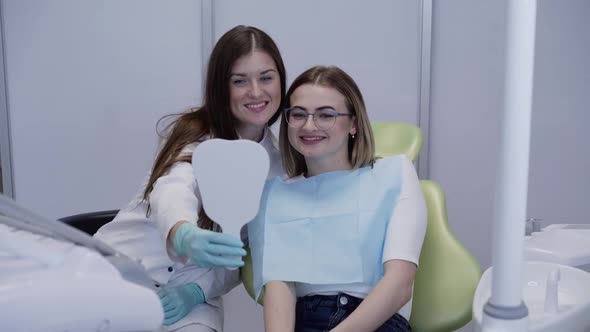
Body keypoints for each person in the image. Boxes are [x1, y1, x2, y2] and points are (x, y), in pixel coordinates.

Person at [94, 25, 286, 332]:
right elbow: (173, 185)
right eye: (240, 81)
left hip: (190, 295)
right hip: (119, 268)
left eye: (266, 77)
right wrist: (183, 233)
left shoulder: (279, 168)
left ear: (280, 80)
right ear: (221, 87)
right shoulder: (195, 133)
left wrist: (195, 291)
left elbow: (244, 253)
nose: (256, 91)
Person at [248, 66, 427, 332]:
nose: (309, 125)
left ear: (353, 123)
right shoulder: (275, 194)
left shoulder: (394, 175)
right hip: (306, 319)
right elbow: (280, 293)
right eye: (298, 114)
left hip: (376, 322)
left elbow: (399, 285)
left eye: (326, 115)